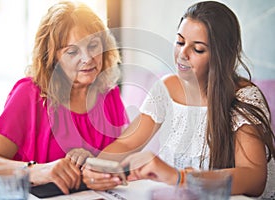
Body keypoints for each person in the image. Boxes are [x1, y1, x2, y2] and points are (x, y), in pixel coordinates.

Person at [81, 1, 275, 198]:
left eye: (197, 49)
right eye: (180, 42)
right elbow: (127, 144)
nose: (182, 54)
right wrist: (98, 168)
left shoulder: (244, 97)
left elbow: (254, 179)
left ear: (221, 56)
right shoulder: (166, 88)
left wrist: (179, 177)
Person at [0, 1, 129, 195]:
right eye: (72, 51)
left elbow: (125, 155)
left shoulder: (109, 93)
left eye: (93, 45)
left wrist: (95, 164)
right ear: (53, 57)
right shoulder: (29, 95)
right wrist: (40, 170)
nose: (88, 58)